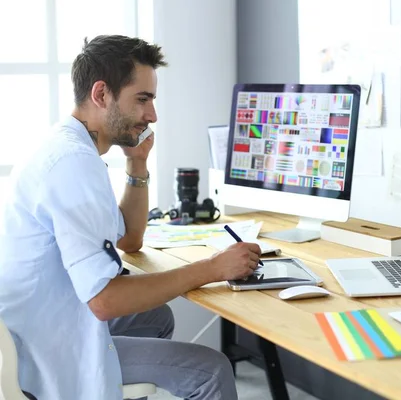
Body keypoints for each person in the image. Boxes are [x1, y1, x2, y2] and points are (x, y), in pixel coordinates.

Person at [0, 35, 261, 400]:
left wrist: (136, 162)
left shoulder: (71, 146)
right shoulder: (73, 163)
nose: (152, 116)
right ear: (101, 94)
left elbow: (130, 240)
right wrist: (213, 267)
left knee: (157, 317)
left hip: (38, 321)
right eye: (143, 99)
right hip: (46, 349)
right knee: (211, 371)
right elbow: (105, 301)